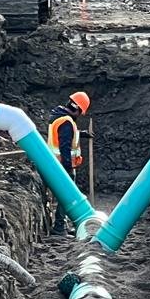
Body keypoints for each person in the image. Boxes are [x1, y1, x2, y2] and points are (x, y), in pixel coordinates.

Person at [47, 91, 90, 235]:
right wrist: (68, 168)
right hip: (63, 165)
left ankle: (62, 224)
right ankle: (59, 227)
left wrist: (81, 133)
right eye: (80, 112)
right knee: (66, 196)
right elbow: (64, 146)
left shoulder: (60, 118)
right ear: (77, 109)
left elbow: (66, 135)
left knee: (63, 196)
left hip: (56, 164)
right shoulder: (66, 122)